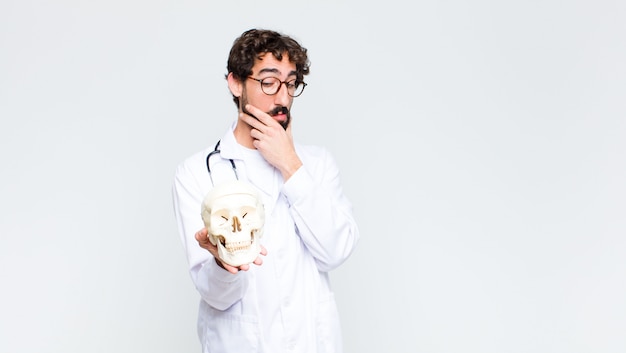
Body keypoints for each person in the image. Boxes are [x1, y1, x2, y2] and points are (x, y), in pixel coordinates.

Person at [171, 28, 359, 353]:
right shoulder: (197, 172)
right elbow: (216, 294)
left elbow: (336, 251)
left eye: (290, 83)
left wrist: (290, 164)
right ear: (236, 83)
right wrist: (222, 263)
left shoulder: (316, 164)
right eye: (269, 82)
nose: (283, 98)